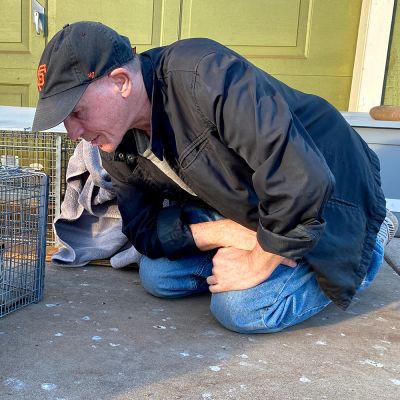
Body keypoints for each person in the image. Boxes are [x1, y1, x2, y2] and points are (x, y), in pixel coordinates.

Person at [32, 22, 398, 333]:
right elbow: (141, 230)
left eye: (77, 111)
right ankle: (264, 243)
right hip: (252, 208)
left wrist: (259, 258)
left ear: (121, 82)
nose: (72, 132)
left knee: (239, 309)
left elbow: (301, 179)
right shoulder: (115, 145)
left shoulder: (205, 75)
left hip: (335, 197)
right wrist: (228, 232)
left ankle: (369, 245)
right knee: (157, 276)